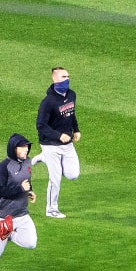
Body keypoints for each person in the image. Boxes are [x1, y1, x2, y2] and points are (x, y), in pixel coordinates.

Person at [32, 66, 81, 218]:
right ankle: (51, 209)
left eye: (68, 76)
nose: (67, 79)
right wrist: (58, 135)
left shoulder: (72, 94)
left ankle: (43, 158)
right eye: (63, 77)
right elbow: (40, 125)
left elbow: (71, 114)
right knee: (56, 178)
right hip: (50, 144)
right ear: (54, 79)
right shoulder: (48, 102)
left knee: (73, 174)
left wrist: (76, 129)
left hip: (67, 144)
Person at [0, 133, 38, 270]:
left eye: (26, 147)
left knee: (31, 243)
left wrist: (29, 191)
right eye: (22, 147)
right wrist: (20, 189)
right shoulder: (2, 168)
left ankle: (9, 234)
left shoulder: (28, 162)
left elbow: (26, 180)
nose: (26, 150)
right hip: (3, 218)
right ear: (13, 149)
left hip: (22, 213)